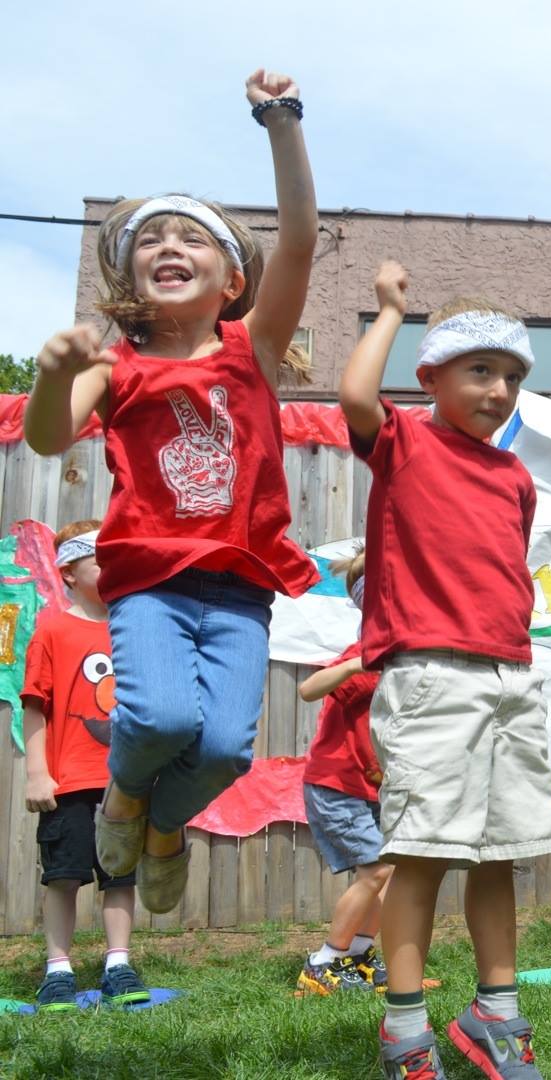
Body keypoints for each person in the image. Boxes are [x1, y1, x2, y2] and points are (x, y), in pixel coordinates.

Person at [24, 70, 320, 916]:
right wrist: (53, 376)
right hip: (150, 577)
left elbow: (298, 238)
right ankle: (124, 801)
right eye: (152, 240)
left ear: (230, 280)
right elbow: (49, 437)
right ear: (132, 278)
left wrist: (279, 121)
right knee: (155, 722)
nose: (168, 247)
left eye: (190, 239)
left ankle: (161, 829)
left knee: (224, 746)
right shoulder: (115, 364)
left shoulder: (250, 349)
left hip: (240, 581)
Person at [341, 261, 551, 1079]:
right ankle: (405, 1028)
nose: (499, 390)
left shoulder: (514, 476)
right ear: (430, 376)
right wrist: (390, 312)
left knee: (502, 850)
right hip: (430, 677)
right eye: (480, 371)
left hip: (509, 676)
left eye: (511, 376)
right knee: (424, 851)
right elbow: (355, 399)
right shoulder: (402, 442)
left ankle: (496, 1015)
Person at [23, 522, 149, 1012]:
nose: (111, 569)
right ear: (70, 573)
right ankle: (58, 970)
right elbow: (36, 704)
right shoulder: (52, 629)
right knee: (63, 876)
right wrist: (37, 772)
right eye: (100, 561)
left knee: (120, 879)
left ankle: (119, 963)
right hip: (70, 781)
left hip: (125, 782)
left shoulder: (135, 631)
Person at [296, 549, 392, 995]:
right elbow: (308, 688)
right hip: (338, 785)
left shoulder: (398, 658)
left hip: (368, 789)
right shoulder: (366, 656)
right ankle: (324, 962)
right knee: (377, 872)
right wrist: (356, 663)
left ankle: (358, 954)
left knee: (385, 870)